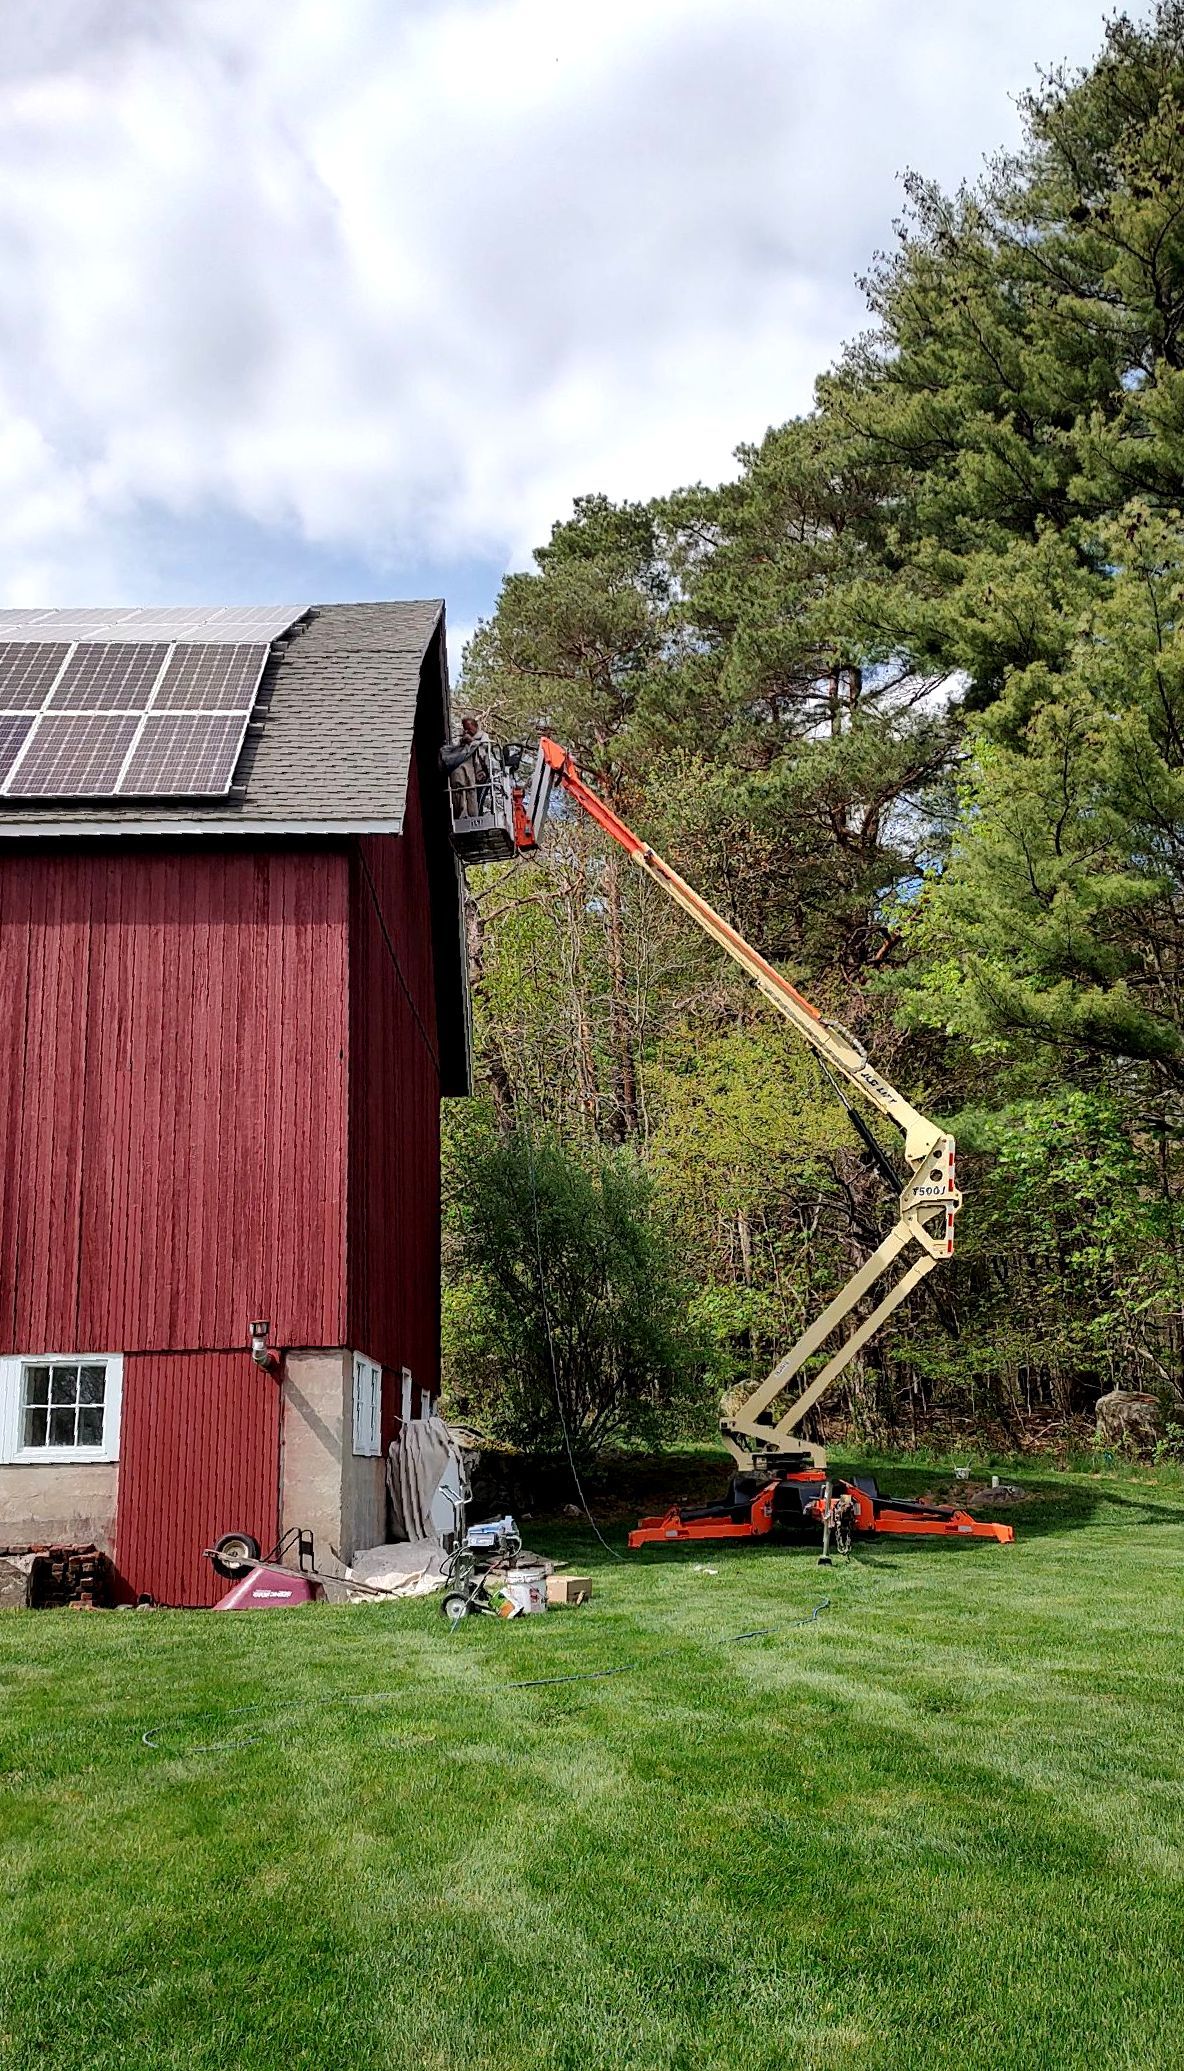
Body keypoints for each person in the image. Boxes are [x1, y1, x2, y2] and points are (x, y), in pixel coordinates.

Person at [440, 716, 493, 818]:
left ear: (475, 726)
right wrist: (462, 743)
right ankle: (460, 812)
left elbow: (484, 749)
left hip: (475, 770)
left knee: (470, 789)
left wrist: (472, 741)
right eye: (465, 728)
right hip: (460, 768)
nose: (467, 731)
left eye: (469, 728)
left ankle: (472, 813)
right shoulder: (463, 739)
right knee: (458, 784)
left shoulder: (483, 736)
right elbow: (458, 752)